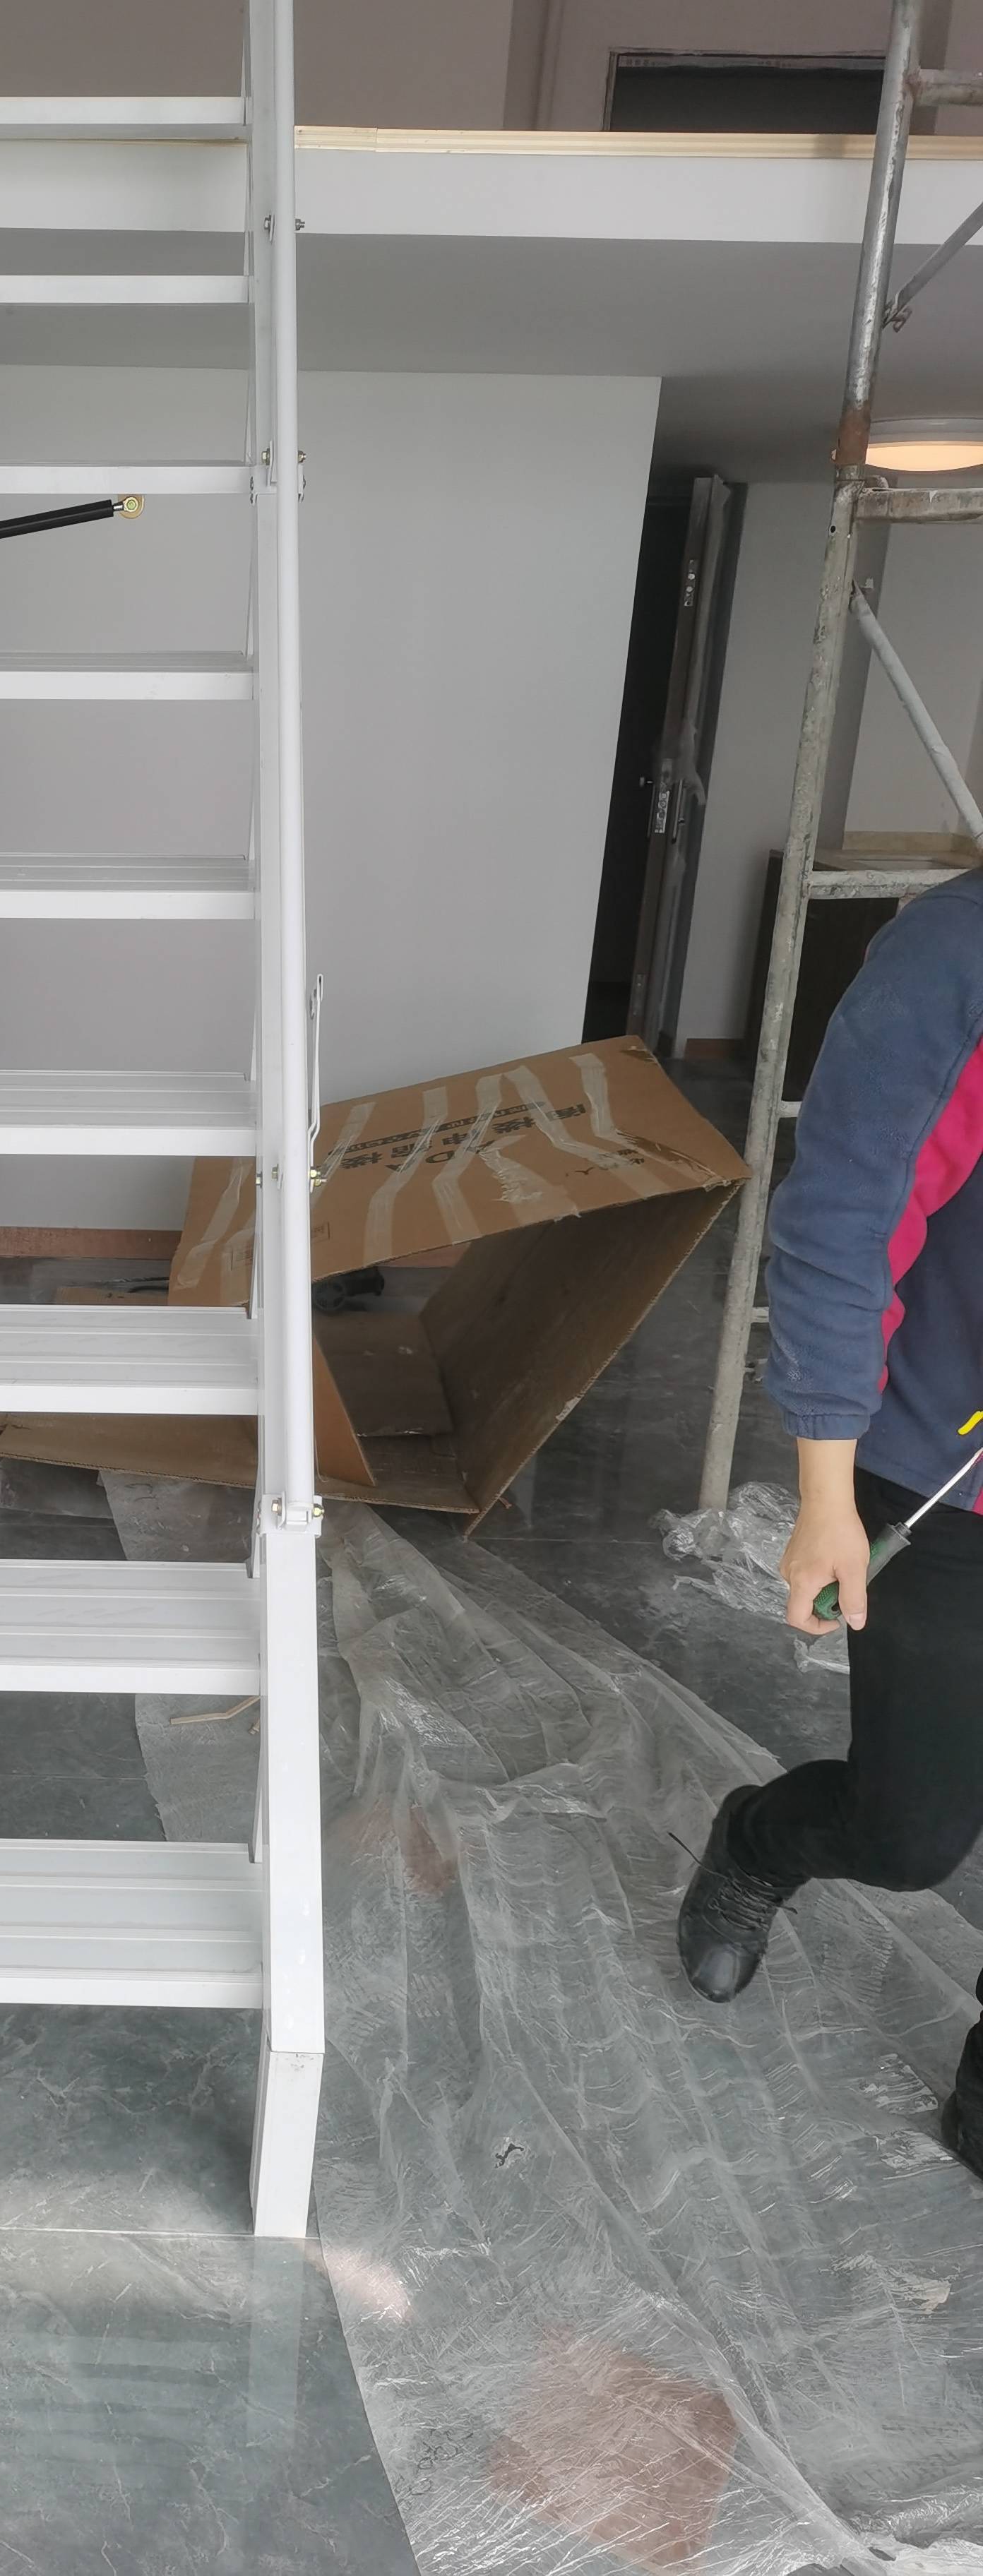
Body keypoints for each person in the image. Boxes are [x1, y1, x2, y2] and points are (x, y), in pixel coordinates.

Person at [675, 869, 983, 2179]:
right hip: (945, 1479)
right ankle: (759, 1841)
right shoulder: (958, 956)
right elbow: (848, 1218)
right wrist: (823, 1495)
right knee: (912, 1832)